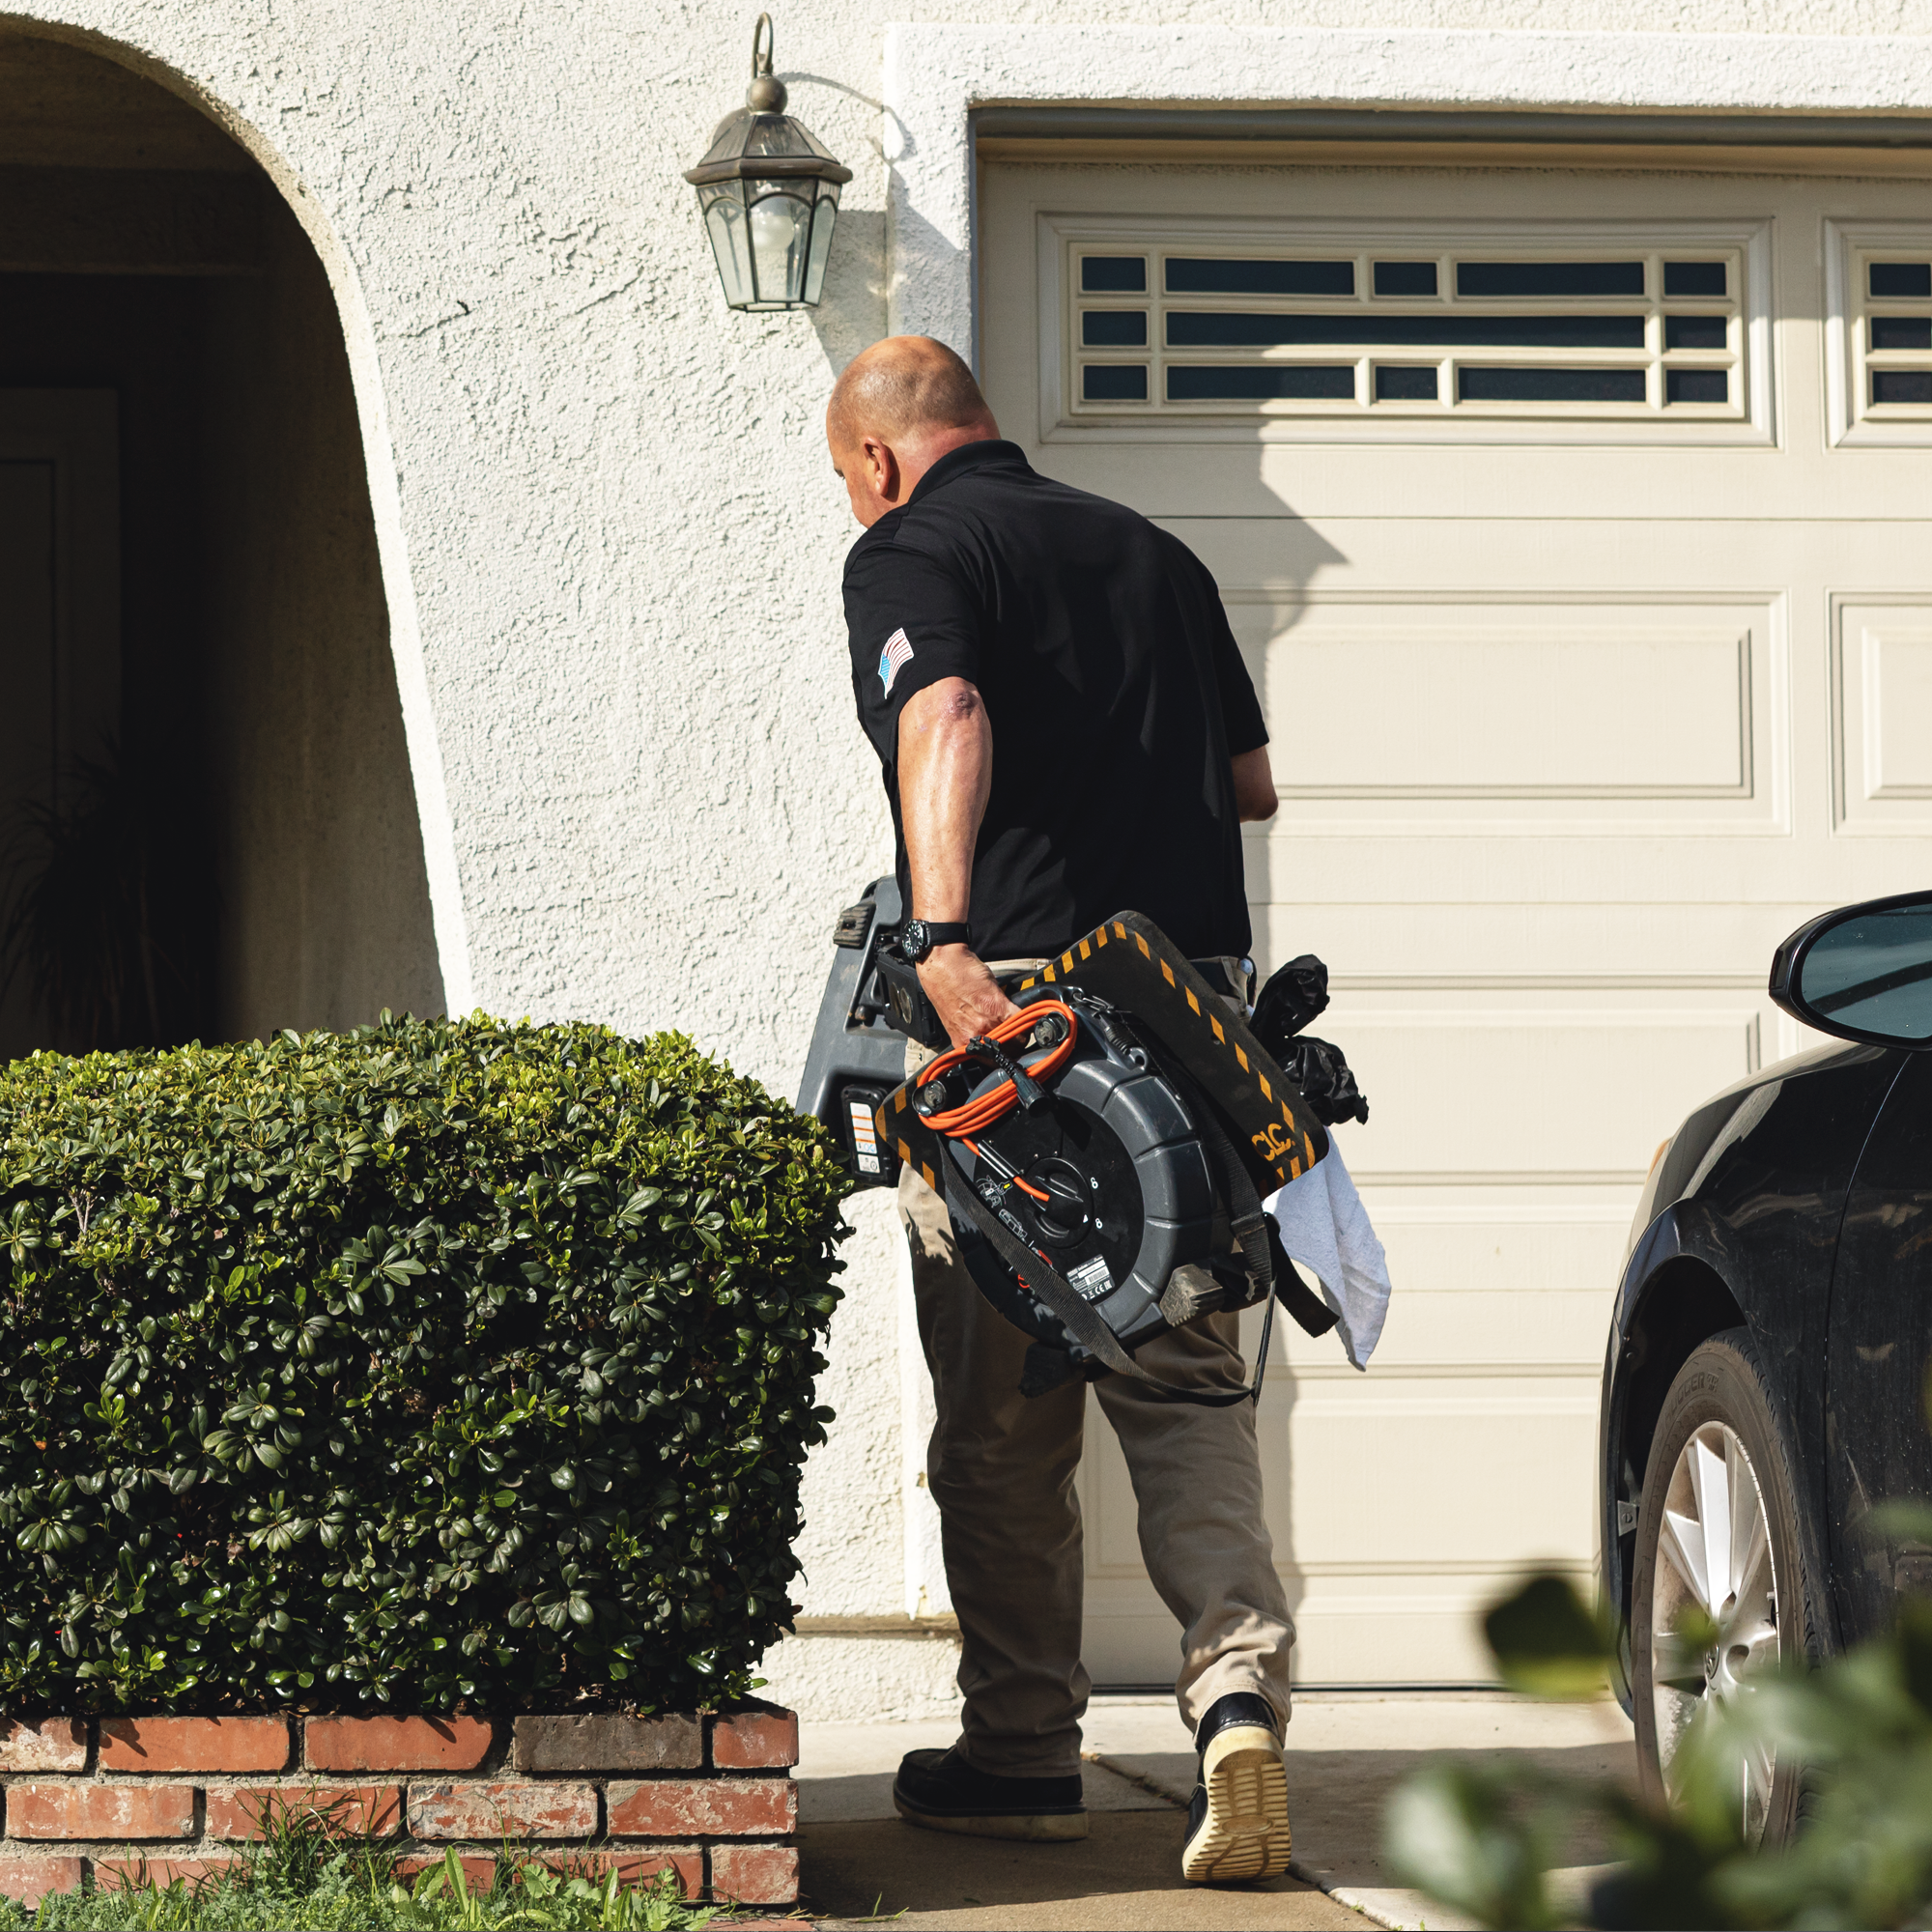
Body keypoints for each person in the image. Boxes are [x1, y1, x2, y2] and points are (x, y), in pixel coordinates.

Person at [828, 334, 1294, 1886]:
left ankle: (1023, 1752)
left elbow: (944, 713)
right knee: (1181, 1378)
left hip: (1016, 1015)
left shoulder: (917, 547)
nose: (854, 510)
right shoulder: (1156, 556)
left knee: (1006, 1390)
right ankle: (1236, 1701)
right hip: (1182, 1003)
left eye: (847, 483)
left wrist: (946, 945)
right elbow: (1248, 785)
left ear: (882, 460)